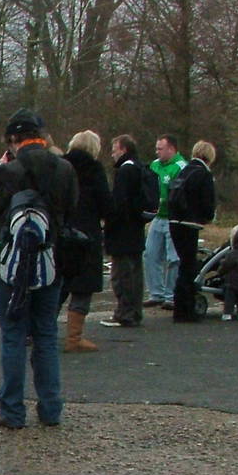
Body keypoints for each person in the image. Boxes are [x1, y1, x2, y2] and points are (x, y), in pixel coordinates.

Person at [0, 107, 79, 428]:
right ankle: (50, 409)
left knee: (14, 337)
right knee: (46, 335)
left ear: (14, 140)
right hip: (51, 263)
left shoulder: (10, 171)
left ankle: (12, 410)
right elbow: (72, 208)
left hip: (13, 266)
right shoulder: (65, 169)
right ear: (42, 137)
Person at [60, 129, 110, 351]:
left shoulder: (59, 167)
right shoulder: (94, 170)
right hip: (86, 232)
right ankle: (74, 338)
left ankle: (38, 332)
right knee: (82, 286)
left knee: (57, 284)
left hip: (61, 231)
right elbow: (105, 203)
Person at [99, 133, 153, 328]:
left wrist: (108, 224)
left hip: (122, 231)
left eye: (114, 150)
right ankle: (135, 311)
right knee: (136, 273)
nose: (112, 154)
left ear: (123, 149)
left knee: (122, 275)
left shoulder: (124, 171)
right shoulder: (140, 168)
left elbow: (119, 203)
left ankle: (124, 313)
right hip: (136, 229)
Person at [167, 141, 217, 322]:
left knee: (184, 264)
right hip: (190, 223)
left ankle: (179, 306)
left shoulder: (184, 170)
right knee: (188, 266)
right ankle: (185, 309)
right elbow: (208, 204)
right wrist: (207, 217)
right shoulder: (203, 174)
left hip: (174, 221)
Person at [144, 134, 185, 307]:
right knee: (150, 254)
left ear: (171, 149)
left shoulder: (180, 167)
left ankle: (171, 295)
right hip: (157, 217)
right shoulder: (154, 165)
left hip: (172, 219)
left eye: (160, 149)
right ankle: (156, 293)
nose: (157, 152)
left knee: (173, 258)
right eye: (156, 149)